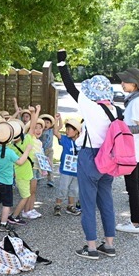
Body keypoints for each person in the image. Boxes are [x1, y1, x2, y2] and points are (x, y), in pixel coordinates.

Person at [57, 49, 119, 260]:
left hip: (90, 157)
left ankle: (91, 247)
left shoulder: (90, 106)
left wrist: (62, 62)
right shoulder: (115, 110)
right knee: (107, 201)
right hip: (109, 158)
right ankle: (109, 244)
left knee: (88, 203)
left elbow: (70, 87)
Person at [115, 68, 139, 233]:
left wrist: (120, 128)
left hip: (131, 150)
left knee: (132, 187)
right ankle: (136, 221)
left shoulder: (136, 102)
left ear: (134, 84)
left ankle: (135, 223)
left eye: (125, 81)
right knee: (135, 186)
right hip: (133, 150)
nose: (122, 84)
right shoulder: (133, 100)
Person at [0, 122, 32, 232]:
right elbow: (20, 162)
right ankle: (3, 224)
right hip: (6, 182)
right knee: (7, 204)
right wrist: (27, 151)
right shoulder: (10, 152)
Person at [52, 114, 82, 216]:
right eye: (67, 129)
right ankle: (58, 205)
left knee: (74, 189)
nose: (67, 131)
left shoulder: (81, 142)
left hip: (77, 170)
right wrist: (57, 120)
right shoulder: (65, 139)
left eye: (69, 129)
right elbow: (55, 132)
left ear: (76, 131)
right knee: (63, 187)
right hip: (66, 170)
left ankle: (70, 206)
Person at [39, 113, 56, 187]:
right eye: (44, 122)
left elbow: (60, 127)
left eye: (47, 122)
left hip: (49, 150)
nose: (45, 124)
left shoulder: (51, 131)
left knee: (50, 164)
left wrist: (57, 119)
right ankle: (37, 177)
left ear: (51, 124)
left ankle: (50, 180)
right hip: (40, 150)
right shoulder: (39, 131)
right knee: (38, 164)